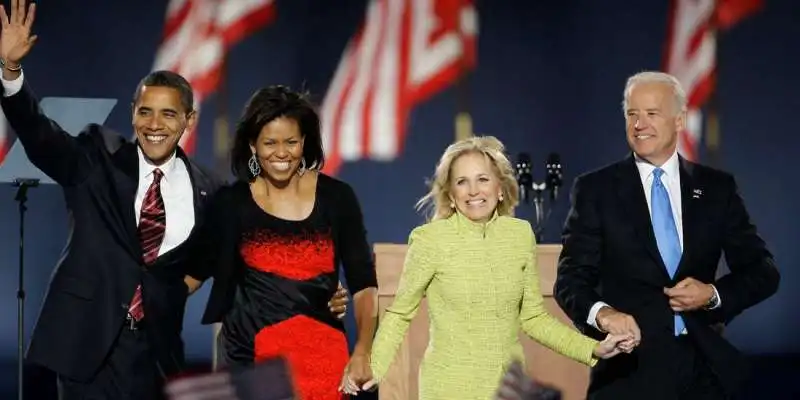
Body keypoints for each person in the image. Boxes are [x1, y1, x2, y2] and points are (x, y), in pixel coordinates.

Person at [0, 1, 348, 398]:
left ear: (188, 120)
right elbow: (40, 135)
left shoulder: (211, 191)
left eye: (168, 114)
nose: (154, 124)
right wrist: (11, 75)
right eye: (145, 112)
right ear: (133, 114)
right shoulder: (98, 156)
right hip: (86, 345)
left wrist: (316, 292)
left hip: (154, 354)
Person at [553, 71, 780, 399]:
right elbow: (570, 279)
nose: (639, 124)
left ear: (679, 120)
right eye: (632, 114)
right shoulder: (595, 190)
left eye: (651, 113)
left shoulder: (717, 188)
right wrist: (604, 315)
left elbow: (763, 271)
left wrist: (713, 294)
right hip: (628, 371)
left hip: (704, 371)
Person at [356, 136, 629, 400]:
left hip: (507, 391)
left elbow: (534, 319)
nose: (474, 191)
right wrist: (374, 368)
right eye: (462, 182)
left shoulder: (520, 235)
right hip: (448, 390)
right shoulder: (429, 240)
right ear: (451, 195)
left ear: (500, 189)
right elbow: (399, 315)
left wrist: (594, 348)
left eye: (483, 179)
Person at [183, 85, 378, 400]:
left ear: (304, 142)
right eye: (269, 143)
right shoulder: (231, 204)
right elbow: (191, 276)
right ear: (252, 145)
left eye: (291, 142)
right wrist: (138, 297)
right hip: (250, 366)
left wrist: (363, 350)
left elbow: (364, 283)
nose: (282, 153)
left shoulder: (337, 198)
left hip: (321, 363)